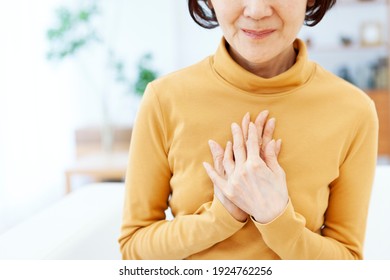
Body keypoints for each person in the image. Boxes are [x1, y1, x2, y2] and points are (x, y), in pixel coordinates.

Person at [118, 0, 378, 259]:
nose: (256, 10)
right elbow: (133, 249)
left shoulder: (353, 110)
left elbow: (348, 264)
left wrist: (276, 219)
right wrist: (220, 217)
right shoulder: (164, 99)